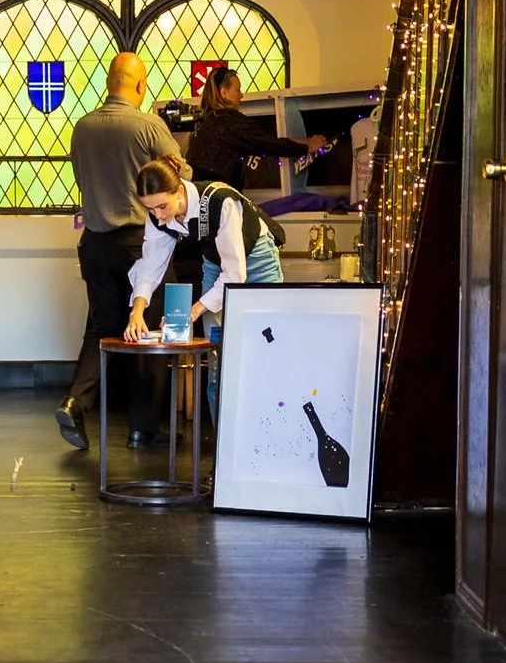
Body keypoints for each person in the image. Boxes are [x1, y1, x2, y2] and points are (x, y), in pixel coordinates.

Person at [57, 51, 180, 452]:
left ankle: (77, 401)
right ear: (140, 86)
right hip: (138, 242)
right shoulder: (148, 126)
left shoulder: (82, 127)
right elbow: (178, 178)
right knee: (152, 326)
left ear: (109, 83)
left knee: (102, 326)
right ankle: (142, 429)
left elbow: (80, 178)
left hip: (94, 243)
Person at [122, 157, 284, 409]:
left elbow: (235, 276)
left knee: (268, 345)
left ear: (179, 191)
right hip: (215, 263)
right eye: (150, 210)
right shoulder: (159, 216)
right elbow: (151, 263)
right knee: (217, 353)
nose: (158, 216)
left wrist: (195, 310)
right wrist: (138, 310)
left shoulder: (220, 201)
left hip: (257, 260)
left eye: (162, 207)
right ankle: (221, 441)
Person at [185, 67, 323, 189]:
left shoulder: (203, 121)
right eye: (237, 89)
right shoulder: (229, 121)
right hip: (218, 195)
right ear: (224, 92)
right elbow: (269, 144)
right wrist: (308, 147)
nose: (241, 95)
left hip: (198, 194)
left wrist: (303, 141)